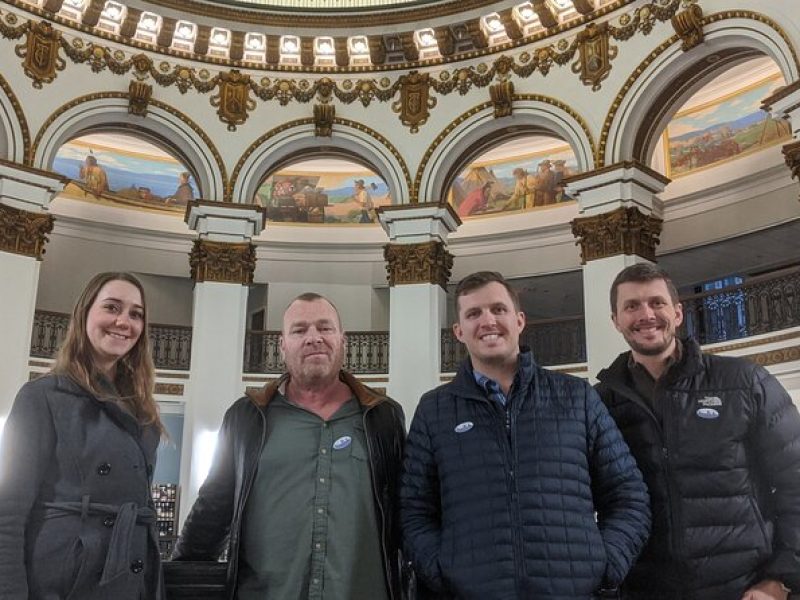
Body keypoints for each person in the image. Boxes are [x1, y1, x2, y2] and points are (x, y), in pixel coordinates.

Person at [401, 271, 650, 599]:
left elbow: (628, 494)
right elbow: (413, 510)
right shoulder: (434, 410)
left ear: (519, 321)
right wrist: (443, 572)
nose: (488, 321)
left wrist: (605, 564)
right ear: (459, 331)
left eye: (498, 309)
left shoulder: (576, 397)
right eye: (474, 313)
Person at [173, 293, 406, 600]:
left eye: (325, 328)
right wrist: (178, 580)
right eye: (299, 330)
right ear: (282, 345)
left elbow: (406, 511)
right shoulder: (246, 418)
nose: (314, 338)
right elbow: (212, 509)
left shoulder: (383, 417)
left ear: (343, 340)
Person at [596, 263, 800, 600]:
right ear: (616, 321)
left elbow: (795, 480)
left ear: (677, 313)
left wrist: (781, 579)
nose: (646, 314)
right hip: (645, 589)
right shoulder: (600, 402)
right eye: (631, 306)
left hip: (743, 588)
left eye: (656, 303)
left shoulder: (745, 382)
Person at [0, 272, 165, 600]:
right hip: (65, 581)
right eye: (112, 307)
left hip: (131, 579)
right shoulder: (42, 397)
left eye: (136, 314)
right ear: (85, 313)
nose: (124, 321)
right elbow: (8, 511)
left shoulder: (142, 411)